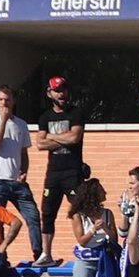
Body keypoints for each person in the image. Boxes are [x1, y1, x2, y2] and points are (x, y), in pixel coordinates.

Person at [0, 85, 45, 266]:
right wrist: (3, 120)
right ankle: (0, 257)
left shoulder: (21, 124)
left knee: (32, 216)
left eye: (7, 100)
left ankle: (38, 254)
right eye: (1, 99)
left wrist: (24, 172)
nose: (4, 103)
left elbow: (23, 153)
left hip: (16, 181)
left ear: (13, 101)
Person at [33, 76, 86, 267]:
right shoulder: (45, 117)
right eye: (57, 90)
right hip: (53, 172)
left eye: (63, 89)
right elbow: (39, 143)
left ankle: (85, 246)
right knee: (47, 212)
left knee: (79, 210)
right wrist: (62, 137)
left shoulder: (76, 113)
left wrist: (51, 138)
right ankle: (46, 254)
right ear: (49, 93)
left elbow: (74, 138)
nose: (61, 93)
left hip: (73, 171)